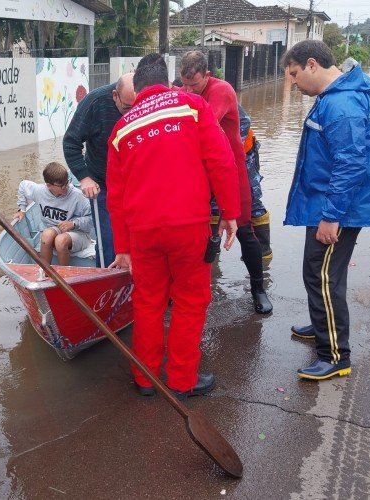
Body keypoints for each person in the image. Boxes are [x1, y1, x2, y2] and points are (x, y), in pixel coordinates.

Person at [105, 60, 240, 399]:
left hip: (142, 232)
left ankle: (145, 378)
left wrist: (122, 248)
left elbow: (115, 197)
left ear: (137, 88)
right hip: (188, 225)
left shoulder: (121, 128)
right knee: (190, 301)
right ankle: (181, 380)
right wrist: (229, 212)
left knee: (148, 302)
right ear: (167, 82)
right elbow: (220, 160)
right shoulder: (194, 106)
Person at [282, 40, 370, 380]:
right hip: (331, 203)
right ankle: (320, 324)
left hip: (336, 208)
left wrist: (331, 216)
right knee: (324, 273)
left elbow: (350, 164)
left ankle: (334, 355)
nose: (293, 83)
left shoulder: (341, 104)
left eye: (295, 74)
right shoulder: (336, 97)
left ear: (312, 64)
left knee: (321, 275)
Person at [179, 50, 273, 314]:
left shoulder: (222, 90)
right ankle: (193, 288)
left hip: (231, 169)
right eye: (183, 84)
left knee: (244, 230)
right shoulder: (183, 89)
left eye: (194, 85)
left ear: (207, 76)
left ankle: (258, 288)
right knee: (196, 231)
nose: (188, 90)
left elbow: (200, 123)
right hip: (199, 171)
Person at [63, 73, 135, 267]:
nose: (131, 115)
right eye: (127, 108)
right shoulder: (94, 103)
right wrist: (84, 178)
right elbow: (71, 142)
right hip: (102, 184)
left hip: (135, 185)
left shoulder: (149, 102)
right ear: (115, 96)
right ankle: (106, 281)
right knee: (108, 241)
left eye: (135, 107)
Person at [15, 162, 93, 266]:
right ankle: (44, 272)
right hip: (56, 229)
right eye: (62, 185)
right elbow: (23, 185)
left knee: (60, 241)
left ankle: (63, 276)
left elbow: (92, 219)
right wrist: (22, 209)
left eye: (67, 182)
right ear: (49, 185)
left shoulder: (77, 196)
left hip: (79, 234)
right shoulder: (39, 191)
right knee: (46, 235)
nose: (67, 187)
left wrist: (73, 223)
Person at [238, 104, 273, 259]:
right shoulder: (186, 97)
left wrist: (224, 148)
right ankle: (213, 252)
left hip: (245, 156)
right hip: (215, 158)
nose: (190, 89)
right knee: (212, 203)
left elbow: (244, 121)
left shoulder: (219, 93)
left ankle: (263, 252)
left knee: (252, 200)